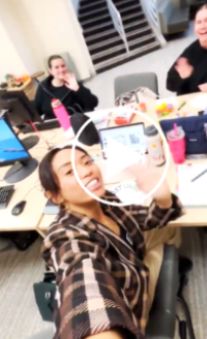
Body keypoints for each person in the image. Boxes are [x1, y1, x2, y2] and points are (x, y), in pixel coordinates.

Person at [39, 142, 183, 339]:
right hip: (133, 303)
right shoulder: (66, 237)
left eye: (87, 161)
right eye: (70, 172)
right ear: (55, 196)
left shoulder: (105, 200)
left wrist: (162, 196)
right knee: (170, 238)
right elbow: (82, 274)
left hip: (131, 257)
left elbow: (139, 217)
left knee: (170, 230)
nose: (87, 171)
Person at [34, 55, 98, 119]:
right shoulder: (43, 87)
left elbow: (93, 103)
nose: (61, 70)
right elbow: (36, 111)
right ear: (51, 71)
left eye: (63, 66)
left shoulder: (73, 83)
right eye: (56, 67)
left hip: (73, 122)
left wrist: (77, 88)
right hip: (53, 124)